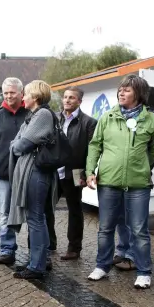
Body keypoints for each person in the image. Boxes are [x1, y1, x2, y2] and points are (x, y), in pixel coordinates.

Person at [86, 75, 154, 289]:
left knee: (139, 229)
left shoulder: (151, 120)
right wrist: (91, 170)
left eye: (127, 90)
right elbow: (95, 145)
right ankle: (102, 266)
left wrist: (142, 166)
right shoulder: (107, 117)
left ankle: (144, 271)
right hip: (109, 182)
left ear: (139, 94)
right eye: (121, 89)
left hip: (138, 184)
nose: (121, 92)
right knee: (106, 228)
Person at [8, 80, 58, 279]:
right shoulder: (33, 115)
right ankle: (37, 261)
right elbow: (19, 142)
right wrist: (17, 143)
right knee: (37, 218)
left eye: (26, 94)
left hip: (36, 171)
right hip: (33, 170)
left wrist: (16, 144)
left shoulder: (43, 114)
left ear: (36, 97)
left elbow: (20, 145)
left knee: (36, 218)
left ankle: (37, 266)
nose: (23, 97)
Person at [0, 78, 30, 265]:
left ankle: (37, 251)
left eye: (12, 92)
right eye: (6, 93)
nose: (9, 96)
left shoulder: (31, 114)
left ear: (21, 93)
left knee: (34, 214)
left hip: (28, 173)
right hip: (4, 174)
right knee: (5, 213)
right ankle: (7, 249)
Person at [45, 87, 97, 261]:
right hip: (53, 171)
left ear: (79, 101)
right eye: (65, 97)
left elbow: (92, 151)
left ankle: (74, 248)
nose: (67, 100)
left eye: (71, 98)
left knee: (74, 210)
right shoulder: (54, 119)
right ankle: (49, 243)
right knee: (46, 208)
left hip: (75, 172)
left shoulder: (89, 123)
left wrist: (87, 173)